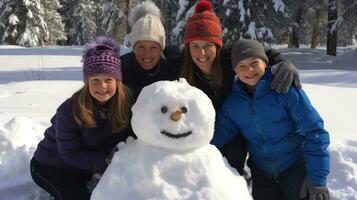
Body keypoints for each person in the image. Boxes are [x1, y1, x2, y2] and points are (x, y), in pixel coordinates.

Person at [180, 0, 302, 175]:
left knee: (232, 154)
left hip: (235, 128)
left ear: (217, 45)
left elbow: (263, 54)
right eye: (195, 46)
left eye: (208, 45)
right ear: (188, 47)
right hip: (201, 129)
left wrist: (284, 64)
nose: (202, 53)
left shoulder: (231, 58)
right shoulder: (181, 67)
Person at [211, 38, 330, 200]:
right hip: (262, 175)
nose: (249, 70)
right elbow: (217, 136)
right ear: (235, 71)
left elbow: (315, 131)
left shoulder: (285, 90)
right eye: (242, 66)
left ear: (265, 63)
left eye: (254, 62)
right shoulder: (233, 104)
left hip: (295, 167)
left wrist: (317, 178)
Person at [29, 36, 133, 200]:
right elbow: (70, 153)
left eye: (108, 80)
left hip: (85, 168)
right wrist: (106, 162)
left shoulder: (124, 105)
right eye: (95, 80)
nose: (102, 86)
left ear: (117, 81)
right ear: (87, 82)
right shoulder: (70, 110)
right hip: (50, 166)